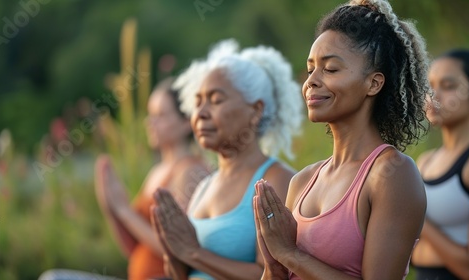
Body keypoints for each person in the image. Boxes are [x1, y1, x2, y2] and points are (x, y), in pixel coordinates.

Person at [253, 0, 431, 279]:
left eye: (330, 69)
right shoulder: (301, 181)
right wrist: (274, 266)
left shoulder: (392, 174)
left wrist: (290, 254)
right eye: (310, 68)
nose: (311, 80)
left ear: (374, 83)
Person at [150, 39, 304, 280]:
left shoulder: (278, 180)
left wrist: (193, 252)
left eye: (216, 100)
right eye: (198, 101)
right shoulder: (204, 186)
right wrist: (172, 248)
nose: (200, 113)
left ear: (255, 110)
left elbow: (273, 274)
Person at [39, 78, 210, 280]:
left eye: (160, 115)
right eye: (150, 114)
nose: (150, 122)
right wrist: (110, 206)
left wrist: (124, 210)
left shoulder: (191, 172)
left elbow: (179, 251)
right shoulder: (156, 172)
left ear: (185, 123)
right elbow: (133, 248)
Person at [411, 49, 469, 280]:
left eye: (448, 86)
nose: (434, 95)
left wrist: (416, 217)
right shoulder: (426, 161)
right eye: (430, 85)